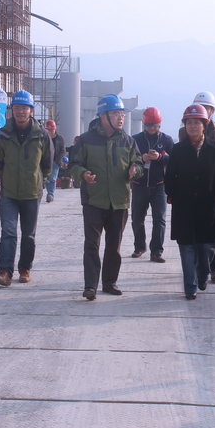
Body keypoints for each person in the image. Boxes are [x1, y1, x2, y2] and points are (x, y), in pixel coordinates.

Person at [70, 94, 143, 301]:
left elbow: (138, 164)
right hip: (93, 200)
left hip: (119, 202)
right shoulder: (86, 140)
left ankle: (110, 282)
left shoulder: (128, 141)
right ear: (103, 116)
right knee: (92, 245)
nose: (121, 117)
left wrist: (135, 170)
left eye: (122, 114)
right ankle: (90, 286)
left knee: (114, 246)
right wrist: (83, 174)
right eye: (115, 113)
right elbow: (73, 165)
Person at [0, 90, 54, 287]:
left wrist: (39, 180)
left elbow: (47, 163)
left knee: (28, 235)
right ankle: (4, 272)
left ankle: (25, 268)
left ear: (31, 110)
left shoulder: (41, 135)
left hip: (32, 192)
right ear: (12, 110)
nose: (20, 112)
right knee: (8, 232)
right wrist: (7, 177)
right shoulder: (3, 134)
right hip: (9, 193)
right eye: (17, 108)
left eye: (24, 108)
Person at [165, 104, 215, 299]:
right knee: (187, 248)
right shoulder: (178, 149)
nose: (192, 126)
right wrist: (173, 194)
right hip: (184, 207)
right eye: (189, 123)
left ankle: (203, 274)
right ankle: (190, 287)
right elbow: (170, 177)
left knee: (207, 247)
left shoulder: (214, 148)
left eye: (196, 122)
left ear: (204, 125)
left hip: (208, 207)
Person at [177, 91, 215, 283]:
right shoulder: (184, 131)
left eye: (207, 108)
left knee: (213, 229)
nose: (203, 110)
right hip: (191, 191)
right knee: (192, 228)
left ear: (212, 111)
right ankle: (195, 268)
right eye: (200, 106)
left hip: (214, 191)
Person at [131, 107, 174, 262]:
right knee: (137, 219)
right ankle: (139, 247)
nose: (151, 128)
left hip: (159, 185)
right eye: (149, 125)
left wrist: (160, 158)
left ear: (159, 125)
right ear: (144, 124)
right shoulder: (135, 139)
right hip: (139, 184)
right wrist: (141, 158)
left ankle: (156, 251)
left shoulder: (166, 140)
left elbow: (175, 160)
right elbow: (128, 159)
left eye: (154, 125)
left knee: (159, 220)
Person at [43, 119, 66, 203]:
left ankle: (50, 194)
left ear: (54, 129)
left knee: (52, 178)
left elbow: (63, 150)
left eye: (51, 129)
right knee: (46, 178)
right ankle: (49, 193)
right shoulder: (44, 138)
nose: (50, 131)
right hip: (46, 161)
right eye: (48, 130)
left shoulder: (60, 138)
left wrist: (58, 160)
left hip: (55, 161)